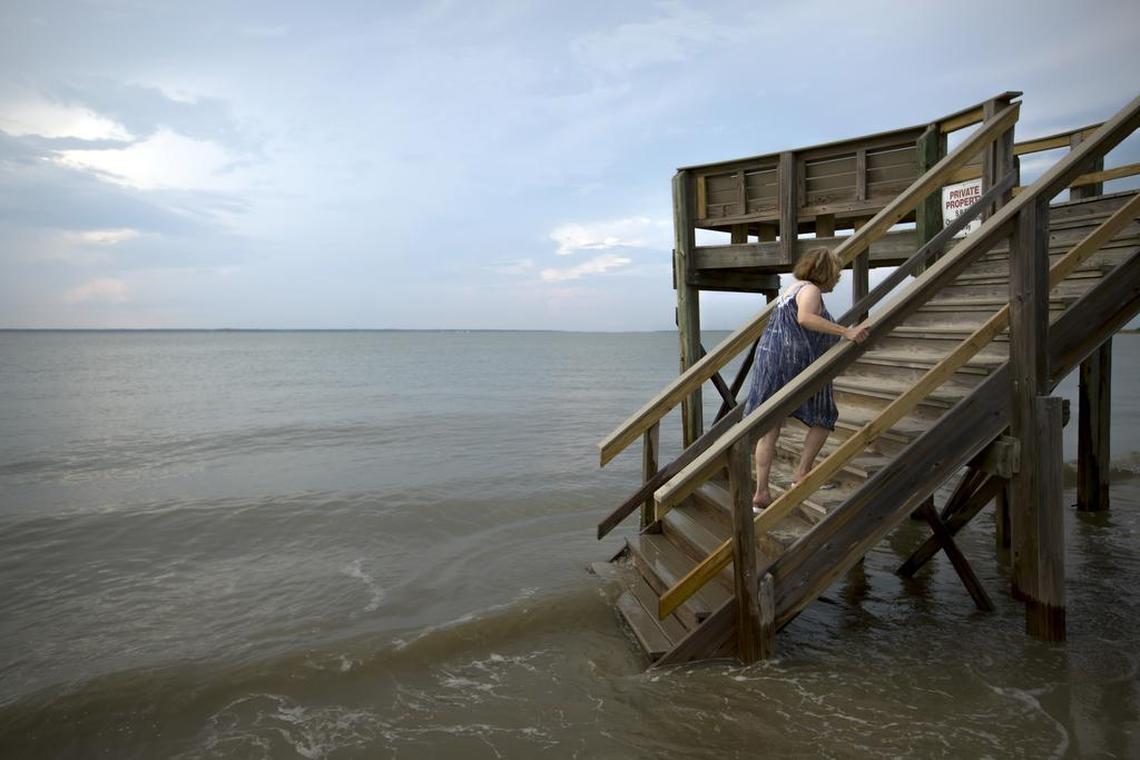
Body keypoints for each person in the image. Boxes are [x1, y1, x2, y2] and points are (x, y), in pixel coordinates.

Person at [743, 246, 870, 510]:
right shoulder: (810, 291)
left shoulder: (792, 288)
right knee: (824, 415)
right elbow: (805, 319)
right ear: (825, 273)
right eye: (836, 274)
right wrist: (846, 332)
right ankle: (801, 473)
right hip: (793, 359)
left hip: (768, 357)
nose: (837, 279)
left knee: (770, 425)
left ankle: (761, 493)